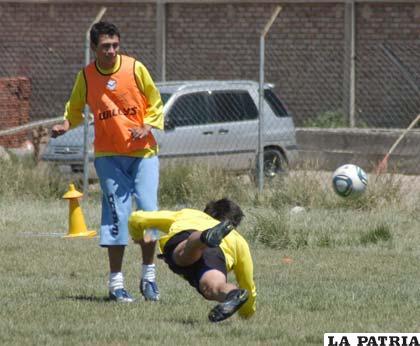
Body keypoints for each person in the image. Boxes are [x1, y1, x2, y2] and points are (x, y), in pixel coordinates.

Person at [51, 21, 163, 302]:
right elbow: (74, 109)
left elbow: (154, 101)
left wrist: (147, 125)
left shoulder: (135, 68)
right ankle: (116, 284)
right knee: (117, 216)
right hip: (108, 156)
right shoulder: (87, 77)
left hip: (143, 154)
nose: (111, 51)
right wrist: (66, 124)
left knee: (149, 214)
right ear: (94, 48)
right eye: (105, 47)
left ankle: (149, 278)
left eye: (115, 45)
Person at [128, 198, 257, 322]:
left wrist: (137, 236)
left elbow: (137, 218)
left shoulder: (191, 214)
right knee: (212, 288)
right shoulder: (238, 239)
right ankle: (232, 294)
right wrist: (247, 313)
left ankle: (203, 237)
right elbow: (247, 283)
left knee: (183, 255)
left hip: (188, 237)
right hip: (217, 254)